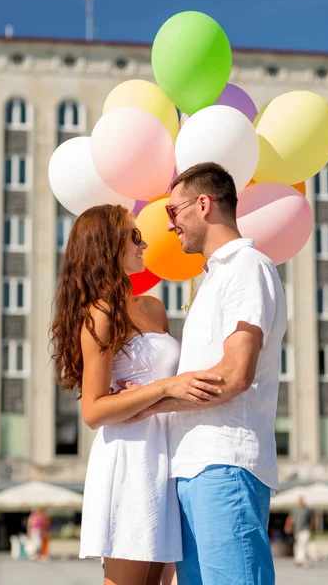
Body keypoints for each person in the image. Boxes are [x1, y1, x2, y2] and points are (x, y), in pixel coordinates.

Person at [121, 162, 288, 585]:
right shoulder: (213, 278)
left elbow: (235, 373)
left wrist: (151, 402)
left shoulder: (247, 266)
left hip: (225, 464)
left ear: (203, 204)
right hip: (194, 467)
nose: (170, 224)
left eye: (173, 212)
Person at [49, 204, 223, 585]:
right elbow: (94, 411)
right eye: (134, 234)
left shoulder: (155, 307)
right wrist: (162, 387)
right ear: (107, 244)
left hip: (170, 456)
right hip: (130, 458)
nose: (144, 243)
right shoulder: (100, 313)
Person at [284, 496, 314, 568]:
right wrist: (288, 526)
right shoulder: (294, 509)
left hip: (305, 529)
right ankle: (299, 559)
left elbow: (313, 519)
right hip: (297, 530)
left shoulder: (307, 509)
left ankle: (300, 560)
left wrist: (312, 527)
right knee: (298, 544)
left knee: (302, 543)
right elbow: (290, 518)